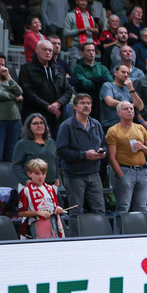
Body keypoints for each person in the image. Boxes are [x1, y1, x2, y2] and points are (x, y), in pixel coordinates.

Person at [55, 94, 107, 237]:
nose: (86, 106)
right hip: (74, 175)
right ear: (75, 106)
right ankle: (75, 241)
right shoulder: (66, 126)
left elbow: (103, 144)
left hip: (94, 173)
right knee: (76, 211)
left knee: (99, 209)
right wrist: (84, 155)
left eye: (89, 103)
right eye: (83, 103)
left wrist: (102, 152)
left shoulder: (96, 124)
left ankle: (100, 238)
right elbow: (61, 151)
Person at [105, 100, 147, 232]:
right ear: (119, 112)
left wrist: (143, 147)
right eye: (126, 109)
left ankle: (141, 234)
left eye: (131, 109)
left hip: (142, 171)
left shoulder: (140, 128)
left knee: (142, 208)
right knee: (123, 207)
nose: (130, 111)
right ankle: (120, 236)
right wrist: (121, 174)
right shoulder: (113, 131)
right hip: (125, 170)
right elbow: (111, 156)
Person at [0, 50, 23, 162]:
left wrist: (8, 77)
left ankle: (9, 179)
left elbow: (19, 91)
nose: (1, 67)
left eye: (3, 64)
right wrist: (15, 98)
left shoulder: (6, 80)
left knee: (11, 156)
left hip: (14, 120)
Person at [17, 158, 65, 238]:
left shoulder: (50, 188)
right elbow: (21, 213)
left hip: (52, 224)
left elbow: (56, 205)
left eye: (43, 173)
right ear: (29, 174)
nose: (40, 177)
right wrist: (38, 212)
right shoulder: (26, 191)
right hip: (34, 225)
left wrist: (58, 209)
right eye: (37, 173)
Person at [12, 114, 59, 185]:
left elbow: (56, 162)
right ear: (29, 127)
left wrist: (58, 178)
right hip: (31, 186)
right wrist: (26, 181)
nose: (39, 125)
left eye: (41, 123)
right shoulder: (22, 143)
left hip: (52, 185)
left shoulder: (51, 142)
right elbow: (16, 165)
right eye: (35, 123)